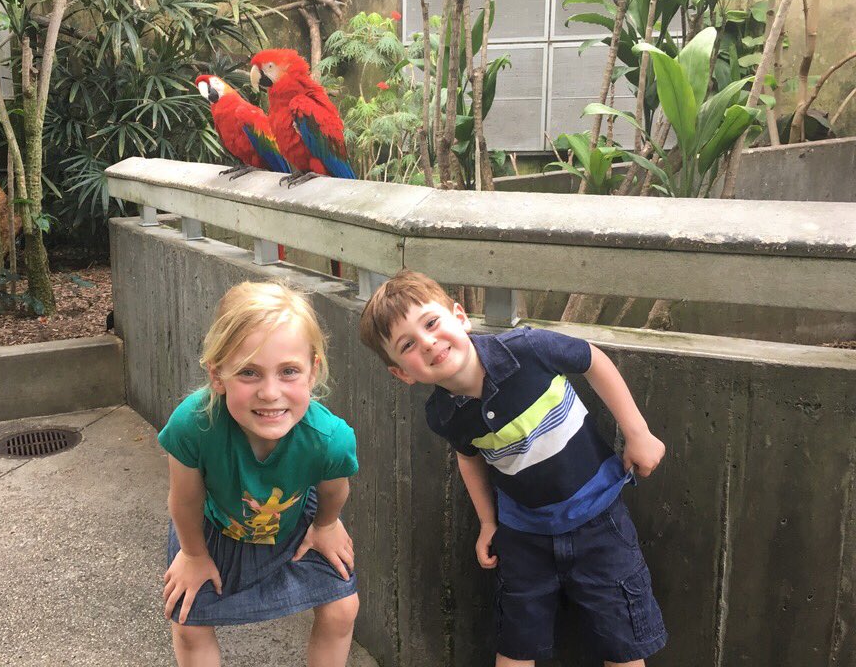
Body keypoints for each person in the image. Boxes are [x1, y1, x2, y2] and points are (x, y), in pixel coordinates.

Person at [359, 270, 668, 667]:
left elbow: (593, 360)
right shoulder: (443, 414)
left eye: (431, 323)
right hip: (524, 538)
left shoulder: (529, 349)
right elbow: (468, 456)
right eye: (408, 345)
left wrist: (638, 432)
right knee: (516, 645)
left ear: (460, 316)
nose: (428, 342)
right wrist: (488, 522)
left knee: (624, 646)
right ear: (402, 373)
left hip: (599, 520)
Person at [158, 280, 360, 667]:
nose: (270, 392)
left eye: (289, 371)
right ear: (218, 375)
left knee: (342, 608)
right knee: (188, 623)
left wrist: (326, 525)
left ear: (312, 371)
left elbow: (335, 491)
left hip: (294, 523)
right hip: (214, 526)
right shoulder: (192, 425)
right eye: (249, 372)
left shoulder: (330, 439)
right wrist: (193, 554)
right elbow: (184, 500)